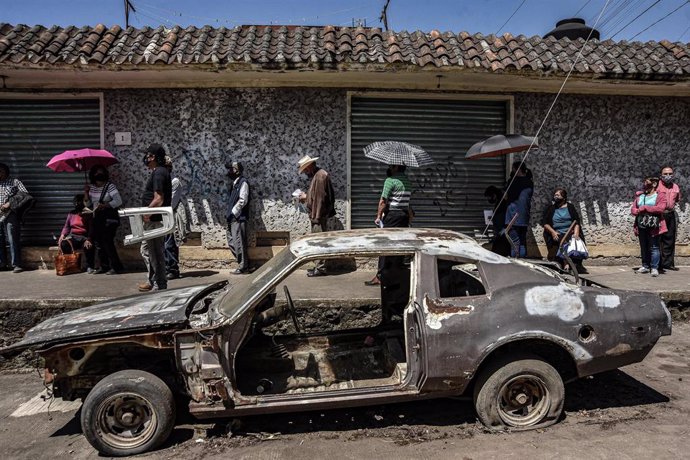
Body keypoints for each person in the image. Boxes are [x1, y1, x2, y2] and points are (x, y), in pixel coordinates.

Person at [139, 144, 172, 292]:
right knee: (147, 249)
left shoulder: (159, 173)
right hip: (153, 219)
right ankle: (153, 280)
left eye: (147, 155)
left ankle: (160, 284)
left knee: (155, 252)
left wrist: (147, 213)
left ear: (152, 157)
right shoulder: (158, 172)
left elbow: (159, 198)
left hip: (154, 220)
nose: (145, 158)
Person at [298, 155, 335, 277]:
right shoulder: (318, 175)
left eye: (305, 170)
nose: (305, 173)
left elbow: (319, 199)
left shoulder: (319, 177)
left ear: (309, 167)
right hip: (317, 214)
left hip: (318, 215)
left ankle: (321, 268)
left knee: (319, 242)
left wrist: (305, 198)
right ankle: (318, 266)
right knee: (318, 241)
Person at [85, 165, 124, 275]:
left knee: (107, 242)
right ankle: (104, 266)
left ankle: (116, 267)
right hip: (97, 219)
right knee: (99, 244)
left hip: (109, 219)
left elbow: (118, 201)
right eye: (97, 173)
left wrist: (105, 205)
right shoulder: (91, 187)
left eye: (101, 172)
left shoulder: (110, 186)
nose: (99, 175)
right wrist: (86, 193)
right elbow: (88, 204)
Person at [540, 188, 587, 273]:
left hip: (570, 231)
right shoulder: (551, 208)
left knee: (572, 239)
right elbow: (545, 223)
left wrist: (576, 233)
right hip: (557, 232)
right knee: (562, 239)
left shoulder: (570, 207)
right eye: (555, 195)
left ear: (564, 197)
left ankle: (572, 264)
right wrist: (553, 232)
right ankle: (566, 263)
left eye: (558, 195)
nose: (555, 197)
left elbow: (576, 221)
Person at [631, 176, 668, 277]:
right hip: (641, 225)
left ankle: (654, 267)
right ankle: (645, 266)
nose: (645, 184)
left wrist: (645, 208)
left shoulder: (660, 196)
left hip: (654, 226)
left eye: (647, 182)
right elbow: (633, 209)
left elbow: (661, 208)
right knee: (644, 246)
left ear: (654, 184)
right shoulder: (640, 196)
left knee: (654, 246)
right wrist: (638, 211)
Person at [0, 162, 29, 273]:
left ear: (6, 172)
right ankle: (2, 263)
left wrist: (10, 204)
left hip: (10, 213)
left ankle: (16, 264)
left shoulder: (14, 182)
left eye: (1, 171)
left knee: (13, 239)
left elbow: (25, 194)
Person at [58, 194, 96, 272]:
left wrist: (89, 239)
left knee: (88, 246)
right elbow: (67, 226)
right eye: (76, 202)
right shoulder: (71, 213)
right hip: (73, 236)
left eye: (79, 202)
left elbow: (92, 228)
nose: (77, 204)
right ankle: (72, 265)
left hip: (84, 237)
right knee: (64, 244)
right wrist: (62, 235)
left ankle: (90, 266)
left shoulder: (89, 214)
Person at [504, 160, 534, 258]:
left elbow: (506, 197)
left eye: (513, 169)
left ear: (517, 170)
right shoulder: (530, 182)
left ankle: (515, 262)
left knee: (514, 242)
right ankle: (522, 261)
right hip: (524, 216)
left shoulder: (512, 182)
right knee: (521, 242)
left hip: (513, 216)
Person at [226, 160, 250, 275]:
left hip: (238, 217)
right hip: (232, 218)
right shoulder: (235, 183)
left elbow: (243, 200)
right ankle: (243, 263)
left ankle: (243, 266)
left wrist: (233, 213)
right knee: (232, 241)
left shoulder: (243, 182)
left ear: (236, 171)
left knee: (239, 242)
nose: (229, 172)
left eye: (231, 169)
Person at [657, 166, 681, 272]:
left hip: (670, 214)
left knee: (670, 240)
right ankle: (658, 264)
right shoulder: (657, 186)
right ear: (661, 175)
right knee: (658, 240)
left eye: (670, 174)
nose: (668, 176)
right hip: (659, 215)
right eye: (665, 174)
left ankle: (668, 263)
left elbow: (677, 199)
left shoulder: (675, 187)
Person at [164, 156, 183, 280]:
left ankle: (173, 269)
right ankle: (166, 267)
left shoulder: (174, 182)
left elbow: (171, 203)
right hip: (161, 215)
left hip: (169, 216)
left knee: (169, 244)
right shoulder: (161, 181)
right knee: (164, 244)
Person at [484, 185, 510, 257]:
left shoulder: (502, 200)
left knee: (501, 240)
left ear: (494, 195)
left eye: (489, 197)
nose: (489, 199)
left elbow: (500, 215)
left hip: (501, 226)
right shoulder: (499, 200)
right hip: (499, 226)